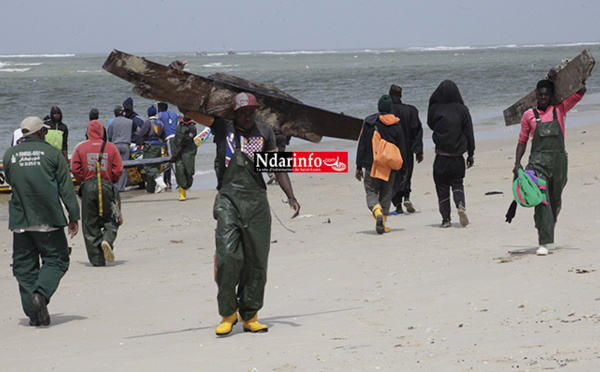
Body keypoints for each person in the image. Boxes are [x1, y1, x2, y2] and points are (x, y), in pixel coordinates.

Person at [168, 63, 300, 335]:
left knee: (257, 261)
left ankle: (250, 314)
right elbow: (186, 109)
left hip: (257, 203)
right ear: (234, 112)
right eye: (244, 113)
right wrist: (175, 80)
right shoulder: (221, 126)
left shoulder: (265, 131)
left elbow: (277, 166)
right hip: (228, 199)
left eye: (252, 112)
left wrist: (291, 196)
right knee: (228, 257)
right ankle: (228, 313)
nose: (249, 117)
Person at [3, 116, 80, 326]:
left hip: (20, 222)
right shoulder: (53, 153)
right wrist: (73, 216)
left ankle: (34, 316)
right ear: (39, 133)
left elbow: (10, 180)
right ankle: (41, 295)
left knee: (24, 268)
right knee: (57, 260)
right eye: (43, 131)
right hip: (48, 219)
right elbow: (66, 188)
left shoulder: (10, 154)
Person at [513, 71, 586, 255]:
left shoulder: (560, 109)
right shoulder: (528, 115)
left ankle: (547, 229)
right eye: (540, 95)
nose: (543, 98)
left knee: (555, 200)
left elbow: (580, 91)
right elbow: (522, 141)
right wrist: (517, 163)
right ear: (536, 95)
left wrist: (559, 78)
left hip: (559, 162)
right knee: (541, 198)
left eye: (546, 94)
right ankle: (544, 242)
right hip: (537, 163)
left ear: (551, 95)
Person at [72, 120, 123, 266]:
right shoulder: (110, 147)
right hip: (107, 186)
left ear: (88, 132)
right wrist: (111, 179)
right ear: (102, 131)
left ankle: (97, 260)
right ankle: (107, 238)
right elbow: (118, 169)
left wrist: (84, 180)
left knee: (90, 223)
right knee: (113, 217)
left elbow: (75, 168)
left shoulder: (80, 148)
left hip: (88, 187)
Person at [427, 80, 475, 228]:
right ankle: (460, 204)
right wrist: (471, 153)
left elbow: (430, 124)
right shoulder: (462, 109)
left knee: (441, 187)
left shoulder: (436, 109)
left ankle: (446, 220)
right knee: (457, 183)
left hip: (441, 156)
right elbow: (469, 133)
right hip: (457, 157)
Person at [355, 95, 405, 234]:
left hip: (371, 165)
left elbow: (362, 146)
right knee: (386, 194)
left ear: (378, 107)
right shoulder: (396, 124)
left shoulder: (369, 123)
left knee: (371, 191)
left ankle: (376, 211)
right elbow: (402, 149)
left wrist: (359, 166)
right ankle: (382, 222)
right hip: (389, 167)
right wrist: (403, 171)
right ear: (390, 108)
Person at [388, 84, 424, 215]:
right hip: (408, 148)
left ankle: (398, 207)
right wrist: (419, 150)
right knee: (407, 173)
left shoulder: (387, 112)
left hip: (391, 149)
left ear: (390, 95)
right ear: (400, 95)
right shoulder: (411, 110)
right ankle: (407, 197)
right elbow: (418, 130)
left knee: (394, 177)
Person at [137, 105, 166, 193]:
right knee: (156, 166)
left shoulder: (148, 123)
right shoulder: (160, 123)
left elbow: (141, 134)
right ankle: (151, 189)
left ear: (148, 113)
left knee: (148, 166)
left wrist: (139, 142)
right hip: (158, 146)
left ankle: (160, 181)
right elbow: (164, 135)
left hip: (149, 146)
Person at [169, 116, 197, 201]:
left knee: (189, 171)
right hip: (177, 150)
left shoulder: (192, 128)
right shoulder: (178, 121)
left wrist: (175, 155)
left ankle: (187, 184)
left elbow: (185, 142)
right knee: (179, 170)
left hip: (188, 151)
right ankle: (182, 193)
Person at [107, 106, 133, 192]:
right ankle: (121, 187)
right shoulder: (130, 122)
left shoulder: (112, 122)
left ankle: (115, 186)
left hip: (116, 146)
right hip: (126, 145)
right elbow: (138, 131)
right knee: (124, 168)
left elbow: (109, 137)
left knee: (115, 167)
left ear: (115, 113)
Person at [158, 102, 180, 189]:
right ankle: (167, 181)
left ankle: (179, 182)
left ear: (160, 108)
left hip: (169, 138)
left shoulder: (160, 115)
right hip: (176, 137)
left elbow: (157, 123)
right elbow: (180, 118)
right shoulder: (174, 114)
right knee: (169, 159)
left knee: (171, 158)